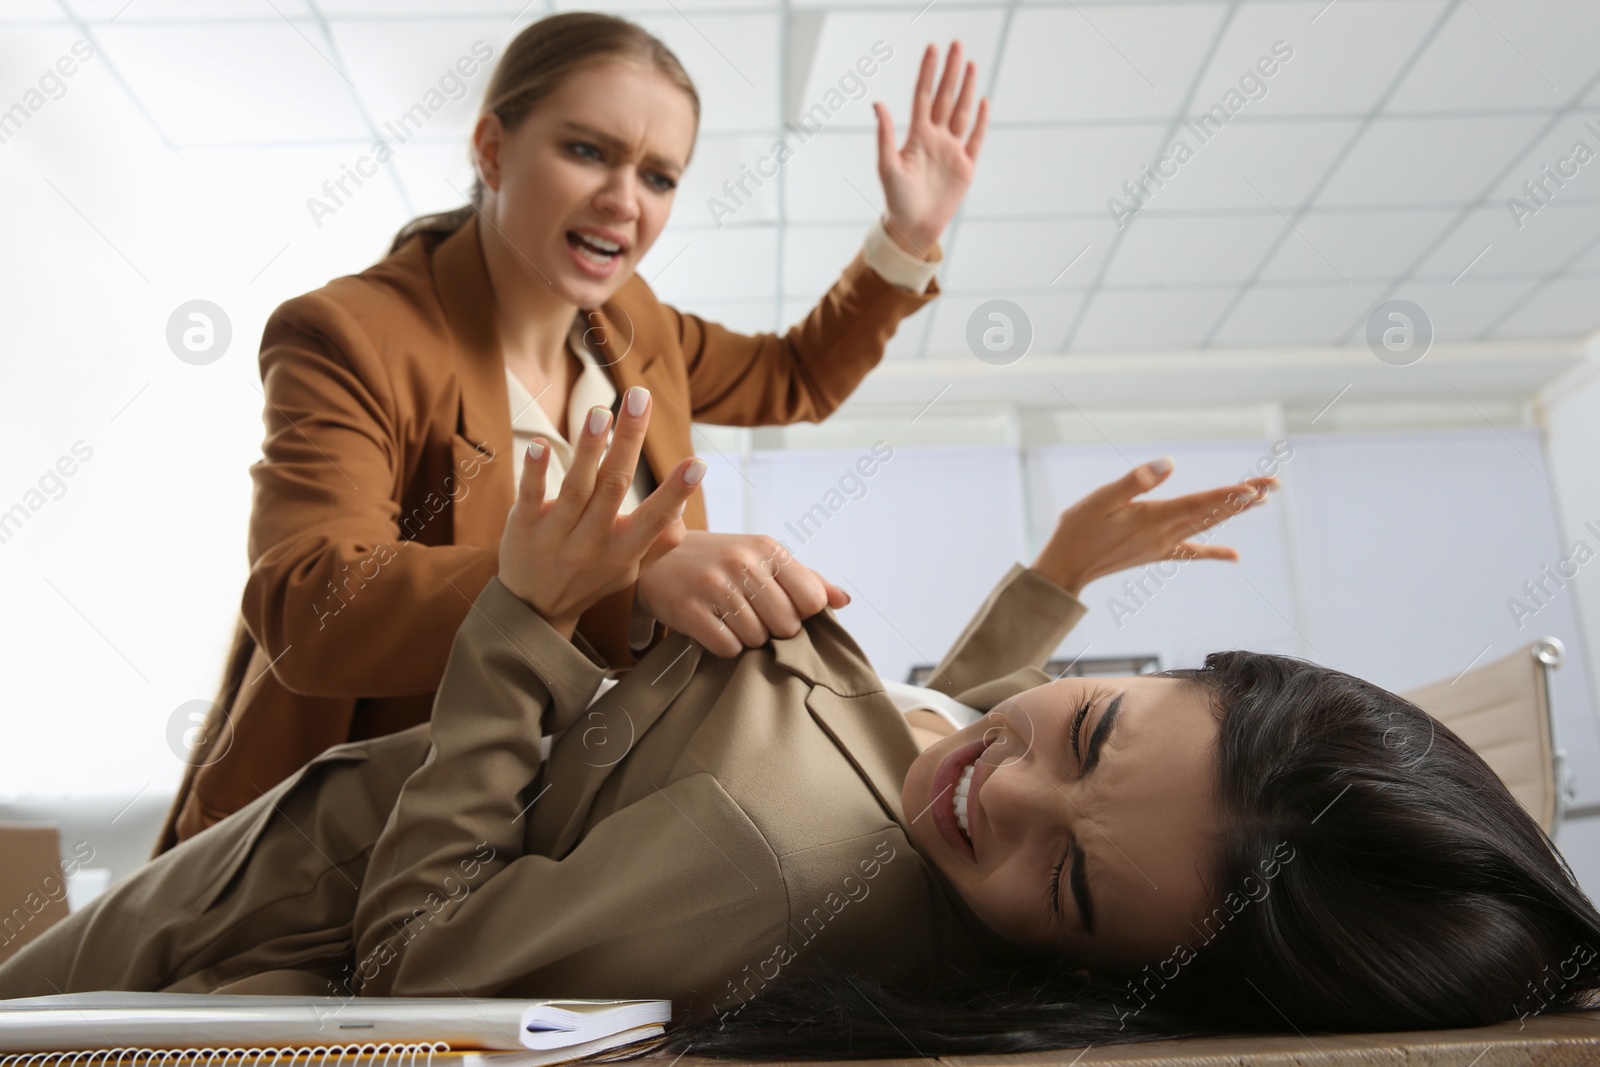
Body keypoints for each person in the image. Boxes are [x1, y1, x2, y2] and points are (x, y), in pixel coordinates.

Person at [6, 391, 1598, 1056]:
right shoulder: (952, 822)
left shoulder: (767, 870)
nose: (1006, 795)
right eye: (1098, 725)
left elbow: (427, 965)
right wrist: (1043, 590)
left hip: (232, 918)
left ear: (1097, 970)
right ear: (1174, 669)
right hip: (253, 861)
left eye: (1072, 884)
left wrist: (527, 617)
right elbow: (944, 739)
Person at [157, 9, 993, 851]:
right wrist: (623, 582)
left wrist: (910, 235)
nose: (624, 201)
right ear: (491, 149)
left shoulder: (634, 326)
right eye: (588, 151)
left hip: (566, 826)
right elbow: (311, 607)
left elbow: (793, 378)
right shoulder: (352, 333)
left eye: (660, 177)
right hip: (346, 846)